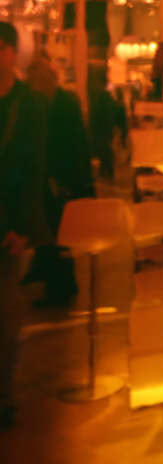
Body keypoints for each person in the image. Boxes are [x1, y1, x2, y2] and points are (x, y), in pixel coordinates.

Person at [0, 22, 48, 429]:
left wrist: (22, 226)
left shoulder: (28, 105)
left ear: (12, 53)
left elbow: (34, 168)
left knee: (5, 320)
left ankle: (3, 398)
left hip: (9, 226)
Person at [21, 55, 93, 306]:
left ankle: (60, 288)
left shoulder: (55, 104)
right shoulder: (60, 101)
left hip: (61, 179)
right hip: (60, 178)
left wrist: (62, 179)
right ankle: (53, 277)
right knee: (54, 232)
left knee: (58, 233)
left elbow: (67, 146)